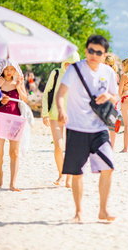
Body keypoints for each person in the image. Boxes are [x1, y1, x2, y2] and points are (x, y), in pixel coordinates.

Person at [55, 34, 117, 223]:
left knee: (108, 167)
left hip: (99, 129)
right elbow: (60, 93)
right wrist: (61, 111)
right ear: (85, 50)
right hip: (76, 128)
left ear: (104, 54)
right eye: (91, 50)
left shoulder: (108, 72)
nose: (94, 55)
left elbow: (116, 97)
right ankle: (79, 212)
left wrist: (108, 96)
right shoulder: (74, 69)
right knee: (76, 171)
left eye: (99, 52)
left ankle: (103, 210)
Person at [42, 51, 80, 187]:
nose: (69, 67)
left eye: (73, 64)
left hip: (73, 117)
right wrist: (45, 113)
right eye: (67, 63)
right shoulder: (56, 73)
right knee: (58, 147)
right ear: (64, 63)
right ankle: (61, 174)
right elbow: (47, 93)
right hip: (55, 114)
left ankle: (69, 178)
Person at [0, 59, 28, 191]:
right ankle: (0, 173)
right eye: (7, 69)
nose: (9, 72)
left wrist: (19, 87)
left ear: (15, 69)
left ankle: (13, 183)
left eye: (12, 69)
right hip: (0, 119)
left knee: (14, 152)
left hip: (16, 119)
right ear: (2, 69)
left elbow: (25, 99)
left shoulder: (18, 81)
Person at [104, 54, 120, 149]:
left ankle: (107, 145)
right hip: (115, 100)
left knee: (106, 123)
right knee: (112, 124)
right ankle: (112, 146)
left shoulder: (108, 73)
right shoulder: (116, 75)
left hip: (108, 100)